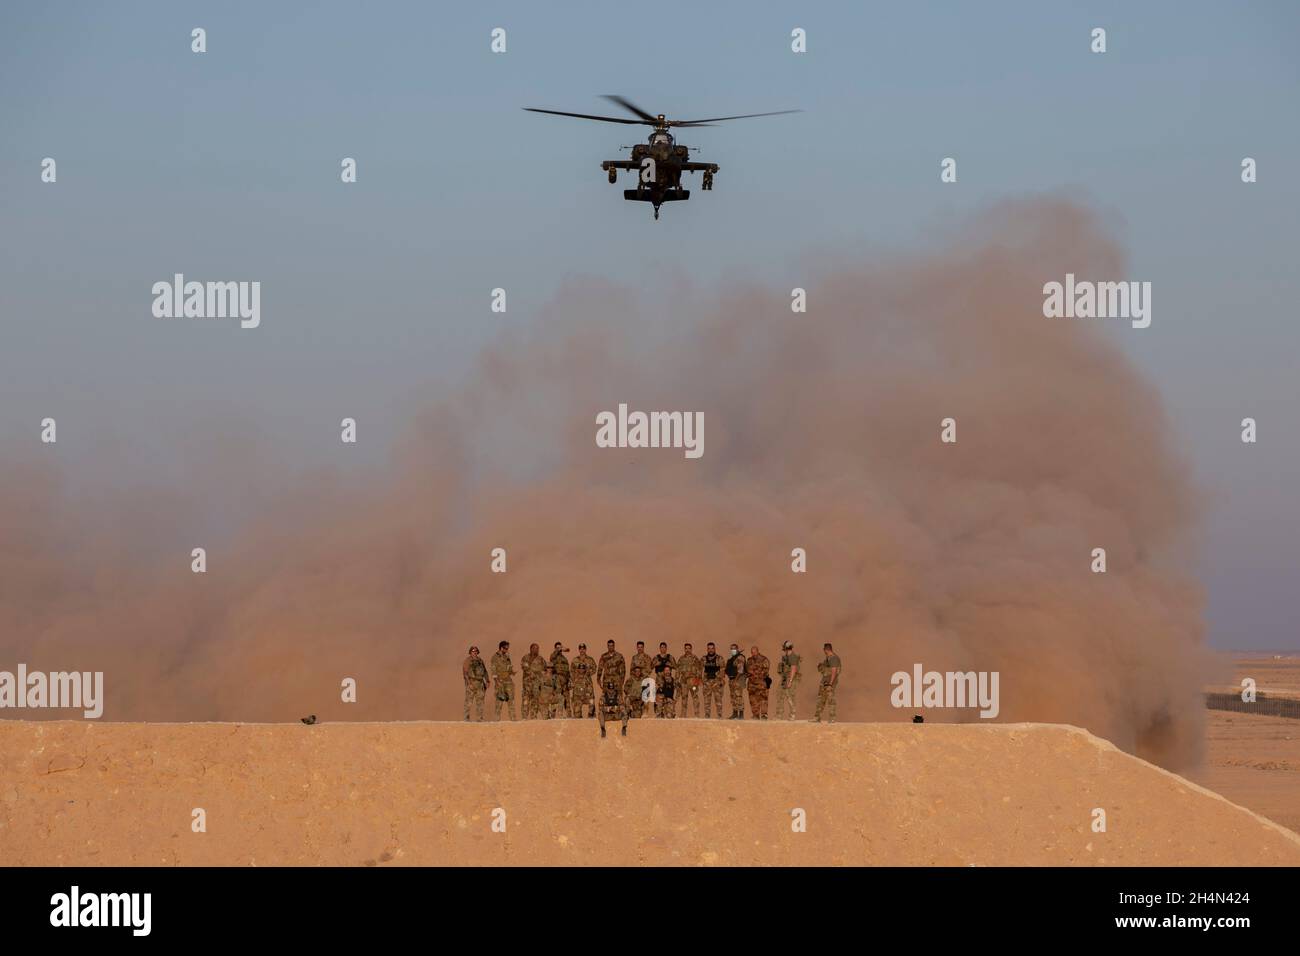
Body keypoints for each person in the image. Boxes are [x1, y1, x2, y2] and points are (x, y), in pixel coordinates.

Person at [812, 643, 842, 723]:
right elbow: (825, 669)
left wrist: (830, 684)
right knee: (820, 699)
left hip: (829, 682)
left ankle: (832, 718)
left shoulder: (834, 658)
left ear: (826, 650)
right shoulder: (828, 658)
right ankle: (817, 717)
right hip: (824, 681)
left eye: (824, 650)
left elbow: (834, 671)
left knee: (830, 699)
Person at [490, 640, 516, 721]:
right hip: (500, 681)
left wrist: (512, 672)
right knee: (499, 700)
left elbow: (509, 667)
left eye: (507, 648)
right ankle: (497, 720)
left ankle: (513, 719)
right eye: (505, 648)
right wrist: (497, 682)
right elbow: (493, 671)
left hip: (508, 680)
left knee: (511, 699)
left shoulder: (507, 656)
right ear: (501, 648)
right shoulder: (495, 657)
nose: (507, 650)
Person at [462, 645, 489, 721]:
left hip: (480, 684)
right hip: (471, 683)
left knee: (480, 702)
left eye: (476, 651)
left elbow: (485, 671)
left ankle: (479, 718)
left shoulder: (480, 660)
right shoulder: (467, 661)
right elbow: (465, 673)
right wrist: (468, 683)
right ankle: (466, 718)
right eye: (473, 651)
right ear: (470, 652)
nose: (475, 652)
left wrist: (487, 681)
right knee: (468, 702)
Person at [775, 641, 801, 720]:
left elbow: (793, 669)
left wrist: (790, 681)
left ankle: (792, 714)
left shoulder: (793, 657)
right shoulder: (786, 656)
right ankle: (779, 715)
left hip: (790, 679)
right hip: (784, 678)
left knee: (790, 696)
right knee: (780, 694)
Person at [521, 643, 547, 719]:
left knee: (535, 700)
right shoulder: (525, 658)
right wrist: (534, 673)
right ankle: (524, 717)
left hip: (537, 684)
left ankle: (533, 716)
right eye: (535, 648)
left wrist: (542, 676)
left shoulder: (541, 659)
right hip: (527, 684)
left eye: (537, 648)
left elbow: (546, 668)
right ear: (531, 649)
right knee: (526, 700)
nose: (536, 650)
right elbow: (525, 667)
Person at [571, 643, 597, 718]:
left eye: (583, 649)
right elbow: (571, 670)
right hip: (577, 683)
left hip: (587, 682)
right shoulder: (575, 660)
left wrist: (587, 674)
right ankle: (578, 715)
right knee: (576, 711)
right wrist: (575, 677)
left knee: (591, 700)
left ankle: (591, 715)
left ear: (585, 649)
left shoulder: (590, 659)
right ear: (579, 650)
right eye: (580, 649)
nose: (582, 650)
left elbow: (594, 669)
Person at [700, 642, 725, 718]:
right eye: (709, 648)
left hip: (716, 682)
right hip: (707, 683)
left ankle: (719, 715)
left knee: (718, 700)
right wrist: (701, 680)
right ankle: (707, 716)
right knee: (707, 701)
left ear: (715, 649)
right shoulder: (703, 659)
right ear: (707, 649)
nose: (711, 650)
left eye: (712, 648)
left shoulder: (719, 658)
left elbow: (723, 670)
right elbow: (699, 670)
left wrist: (720, 681)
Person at [677, 643, 702, 718]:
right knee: (684, 698)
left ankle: (697, 715)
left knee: (695, 697)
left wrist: (697, 681)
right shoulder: (681, 658)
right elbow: (678, 670)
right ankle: (683, 715)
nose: (687, 650)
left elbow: (699, 669)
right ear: (684, 649)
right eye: (686, 648)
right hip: (684, 681)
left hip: (693, 681)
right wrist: (676, 679)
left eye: (689, 648)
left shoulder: (695, 658)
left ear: (691, 649)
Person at [747, 645, 771, 720]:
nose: (753, 653)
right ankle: (755, 715)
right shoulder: (749, 660)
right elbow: (747, 670)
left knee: (763, 699)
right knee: (753, 700)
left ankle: (764, 715)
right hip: (751, 684)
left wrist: (754, 673)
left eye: (754, 652)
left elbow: (766, 671)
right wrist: (749, 674)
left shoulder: (764, 659)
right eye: (752, 652)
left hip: (761, 683)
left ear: (757, 651)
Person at [550, 642, 572, 717]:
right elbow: (552, 658)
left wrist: (569, 680)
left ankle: (569, 715)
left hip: (565, 680)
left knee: (567, 698)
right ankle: (553, 716)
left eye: (560, 647)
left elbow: (567, 670)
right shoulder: (554, 656)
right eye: (557, 647)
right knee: (557, 697)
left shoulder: (564, 659)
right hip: (557, 680)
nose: (559, 649)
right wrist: (558, 650)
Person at [725, 643, 747, 719]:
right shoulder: (732, 658)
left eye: (734, 648)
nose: (732, 650)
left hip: (737, 679)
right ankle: (735, 713)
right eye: (731, 649)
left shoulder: (740, 657)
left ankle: (741, 714)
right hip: (731, 680)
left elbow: (740, 670)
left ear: (737, 648)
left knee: (738, 697)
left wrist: (735, 680)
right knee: (733, 697)